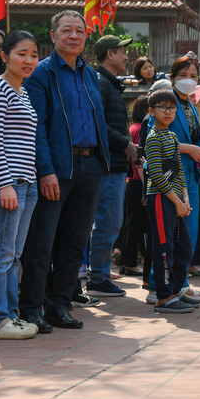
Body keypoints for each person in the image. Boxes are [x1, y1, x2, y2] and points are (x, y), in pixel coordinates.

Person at [20, 10, 111, 333]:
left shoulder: (89, 74)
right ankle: (31, 308)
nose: (74, 36)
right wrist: (45, 170)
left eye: (80, 31)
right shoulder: (42, 73)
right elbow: (37, 127)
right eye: (67, 30)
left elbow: (97, 119)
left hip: (90, 167)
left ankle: (59, 304)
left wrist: (103, 162)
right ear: (54, 35)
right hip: (57, 168)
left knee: (75, 242)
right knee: (41, 242)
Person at [0, 30, 40, 340]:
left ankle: (9, 315)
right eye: (22, 53)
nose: (29, 60)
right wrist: (4, 184)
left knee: (14, 254)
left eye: (33, 54)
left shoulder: (23, 92)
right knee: (0, 253)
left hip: (26, 182)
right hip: (6, 181)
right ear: (5, 56)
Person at [147, 55, 200, 302]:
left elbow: (198, 139)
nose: (189, 80)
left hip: (190, 176)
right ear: (172, 77)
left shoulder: (192, 106)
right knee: (169, 235)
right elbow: (158, 138)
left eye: (194, 76)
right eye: (183, 75)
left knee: (187, 234)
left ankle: (180, 282)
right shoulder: (166, 102)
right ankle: (160, 286)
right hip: (169, 177)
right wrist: (191, 150)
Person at [87, 35, 138, 298]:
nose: (127, 57)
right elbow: (98, 124)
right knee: (107, 222)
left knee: (110, 222)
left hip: (114, 164)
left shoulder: (109, 85)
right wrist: (125, 145)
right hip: (107, 164)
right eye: (122, 52)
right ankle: (97, 277)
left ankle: (99, 272)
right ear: (109, 54)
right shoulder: (100, 83)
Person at [144, 89, 197, 313]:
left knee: (183, 246)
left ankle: (176, 291)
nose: (168, 112)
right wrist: (176, 201)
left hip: (176, 199)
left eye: (172, 108)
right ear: (151, 111)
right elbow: (156, 174)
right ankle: (164, 297)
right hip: (160, 198)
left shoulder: (172, 136)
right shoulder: (154, 138)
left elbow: (177, 171)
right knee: (164, 248)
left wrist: (184, 198)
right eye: (162, 108)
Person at [120, 95, 149, 277]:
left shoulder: (133, 127)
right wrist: (147, 187)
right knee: (136, 225)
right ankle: (129, 263)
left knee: (132, 224)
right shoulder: (139, 129)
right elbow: (139, 161)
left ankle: (127, 261)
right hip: (139, 182)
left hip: (132, 182)